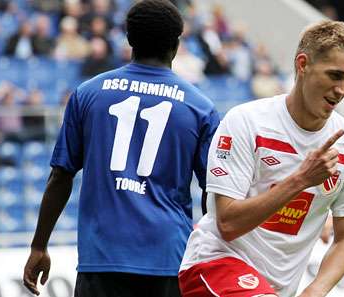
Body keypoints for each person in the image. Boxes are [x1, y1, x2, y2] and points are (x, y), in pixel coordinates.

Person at [22, 1, 220, 296]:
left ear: (128, 39)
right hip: (169, 258)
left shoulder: (88, 94)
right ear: (177, 43)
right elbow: (212, 192)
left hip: (102, 259)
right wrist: (210, 255)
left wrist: (39, 245)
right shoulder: (199, 107)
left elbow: (61, 175)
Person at [178, 20, 344, 297]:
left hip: (276, 289)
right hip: (216, 263)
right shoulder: (247, 122)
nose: (342, 90)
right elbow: (228, 224)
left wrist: (314, 291)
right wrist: (302, 179)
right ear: (303, 65)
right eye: (335, 75)